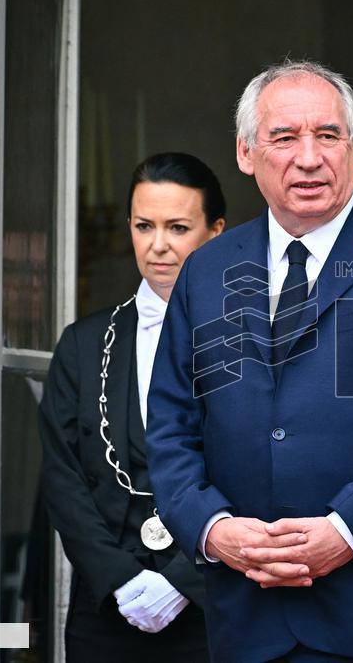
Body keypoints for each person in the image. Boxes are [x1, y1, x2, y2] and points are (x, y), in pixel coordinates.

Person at [146, 60, 353, 662]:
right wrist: (214, 530)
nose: (308, 158)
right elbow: (170, 426)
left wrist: (345, 531)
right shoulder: (208, 269)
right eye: (284, 137)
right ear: (246, 153)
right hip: (248, 617)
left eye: (328, 135)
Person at [39, 152, 225, 661]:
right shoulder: (83, 342)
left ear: (215, 232)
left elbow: (263, 468)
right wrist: (118, 578)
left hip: (213, 605)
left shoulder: (252, 340)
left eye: (178, 227)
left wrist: (183, 581)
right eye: (144, 226)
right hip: (106, 609)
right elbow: (62, 477)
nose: (158, 245)